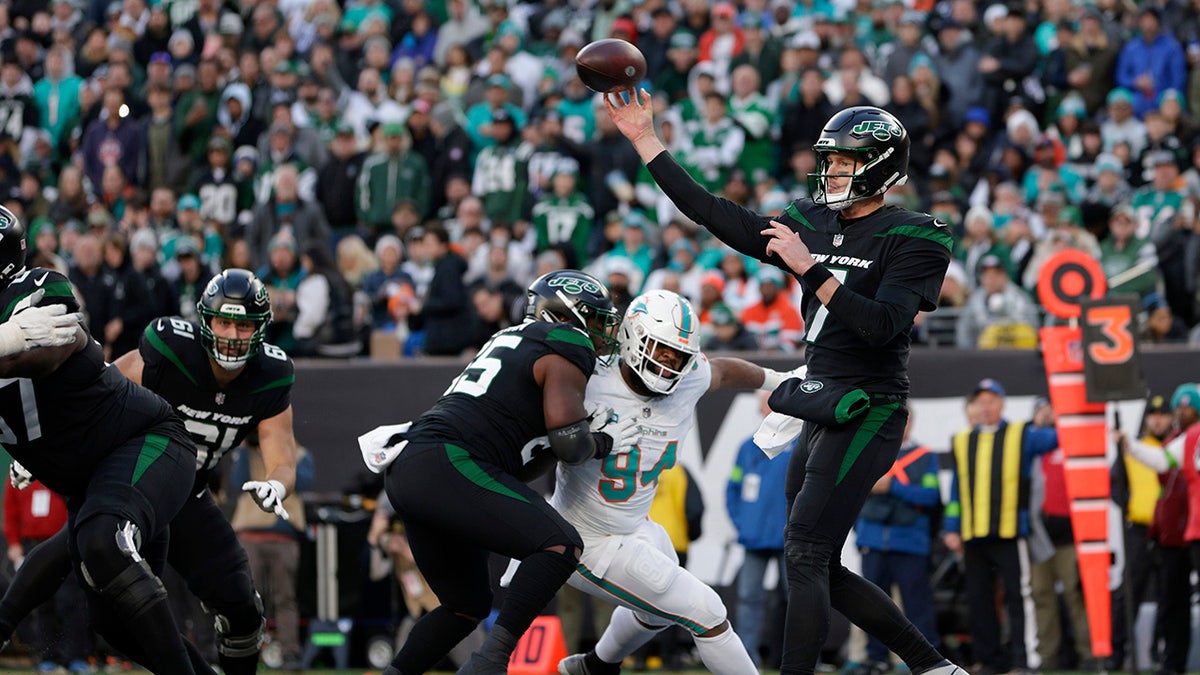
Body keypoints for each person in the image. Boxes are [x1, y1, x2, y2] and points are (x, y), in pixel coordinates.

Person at [605, 93, 961, 675]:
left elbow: (882, 327)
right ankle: (935, 667)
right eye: (830, 160)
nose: (832, 171)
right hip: (821, 399)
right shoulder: (810, 219)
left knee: (805, 551)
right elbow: (713, 212)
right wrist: (646, 139)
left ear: (880, 164)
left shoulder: (917, 234)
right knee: (819, 564)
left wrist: (808, 267)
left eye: (845, 161)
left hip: (871, 403)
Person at [0, 268, 300, 675]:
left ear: (261, 330)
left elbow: (282, 455)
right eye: (224, 321)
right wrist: (38, 444)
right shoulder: (173, 346)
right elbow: (104, 387)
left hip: (187, 492)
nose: (232, 335)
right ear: (205, 321)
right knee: (113, 613)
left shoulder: (271, 375)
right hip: (132, 470)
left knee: (241, 609)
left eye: (244, 325)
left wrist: (277, 485)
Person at [367, 269, 628, 675]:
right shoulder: (566, 341)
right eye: (594, 319)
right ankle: (489, 663)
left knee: (464, 606)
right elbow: (571, 446)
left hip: (414, 466)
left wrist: (563, 438)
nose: (599, 332)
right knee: (560, 544)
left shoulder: (512, 340)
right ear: (567, 316)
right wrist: (599, 441)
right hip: (446, 461)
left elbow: (524, 462)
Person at [0, 205, 211, 674]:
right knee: (113, 623)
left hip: (146, 442)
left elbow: (51, 348)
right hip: (93, 478)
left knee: (100, 539)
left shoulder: (35, 287)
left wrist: (9, 339)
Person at [554, 289, 803, 675]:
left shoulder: (689, 378)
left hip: (637, 525)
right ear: (634, 337)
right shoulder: (589, 378)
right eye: (661, 350)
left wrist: (779, 379)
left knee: (657, 614)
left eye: (679, 356)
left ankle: (596, 665)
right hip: (587, 537)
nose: (669, 364)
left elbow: (721, 370)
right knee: (707, 612)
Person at [943, 379, 1059, 675]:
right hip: (973, 533)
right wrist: (952, 527)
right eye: (981, 401)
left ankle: (1022, 660)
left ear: (1002, 403)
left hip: (1009, 532)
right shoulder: (962, 440)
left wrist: (1061, 416)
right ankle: (988, 660)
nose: (986, 406)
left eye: (991, 400)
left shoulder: (1021, 434)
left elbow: (1056, 439)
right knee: (980, 600)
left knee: (1018, 597)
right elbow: (956, 490)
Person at [852, 407, 941, 675]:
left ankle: (924, 661)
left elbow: (929, 496)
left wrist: (893, 487)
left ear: (909, 423)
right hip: (873, 542)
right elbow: (850, 492)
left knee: (916, 605)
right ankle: (876, 659)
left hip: (910, 542)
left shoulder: (926, 457)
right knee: (873, 607)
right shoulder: (869, 453)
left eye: (902, 421)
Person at [727, 392, 791, 668]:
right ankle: (746, 661)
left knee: (794, 601)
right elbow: (733, 489)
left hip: (789, 539)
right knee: (747, 599)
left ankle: (793, 661)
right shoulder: (747, 446)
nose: (763, 408)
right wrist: (744, 522)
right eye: (762, 403)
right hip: (753, 538)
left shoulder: (799, 443)